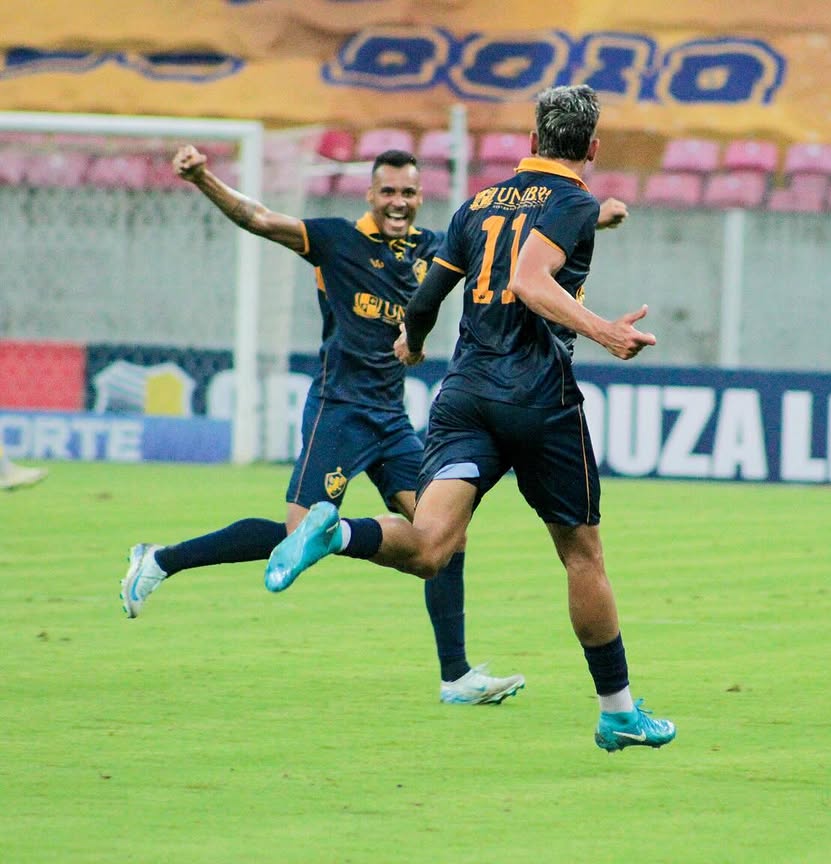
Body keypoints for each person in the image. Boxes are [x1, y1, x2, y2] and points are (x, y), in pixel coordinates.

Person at [264, 85, 676, 752]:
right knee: (582, 554)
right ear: (593, 149)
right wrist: (604, 331)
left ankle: (335, 533)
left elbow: (425, 298)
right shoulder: (573, 201)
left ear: (531, 141)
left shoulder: (478, 204)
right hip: (538, 401)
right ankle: (619, 710)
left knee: (430, 546)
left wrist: (416, 343)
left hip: (465, 396)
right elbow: (530, 281)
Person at [120, 146, 531, 704]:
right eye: (388, 191)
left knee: (445, 536)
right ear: (370, 194)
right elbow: (257, 218)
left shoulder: (430, 249)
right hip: (338, 411)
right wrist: (202, 178)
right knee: (297, 536)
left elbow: (500, 247)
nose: (399, 202)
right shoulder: (337, 239)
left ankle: (455, 677)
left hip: (391, 420)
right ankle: (160, 559)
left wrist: (587, 218)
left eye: (408, 192)